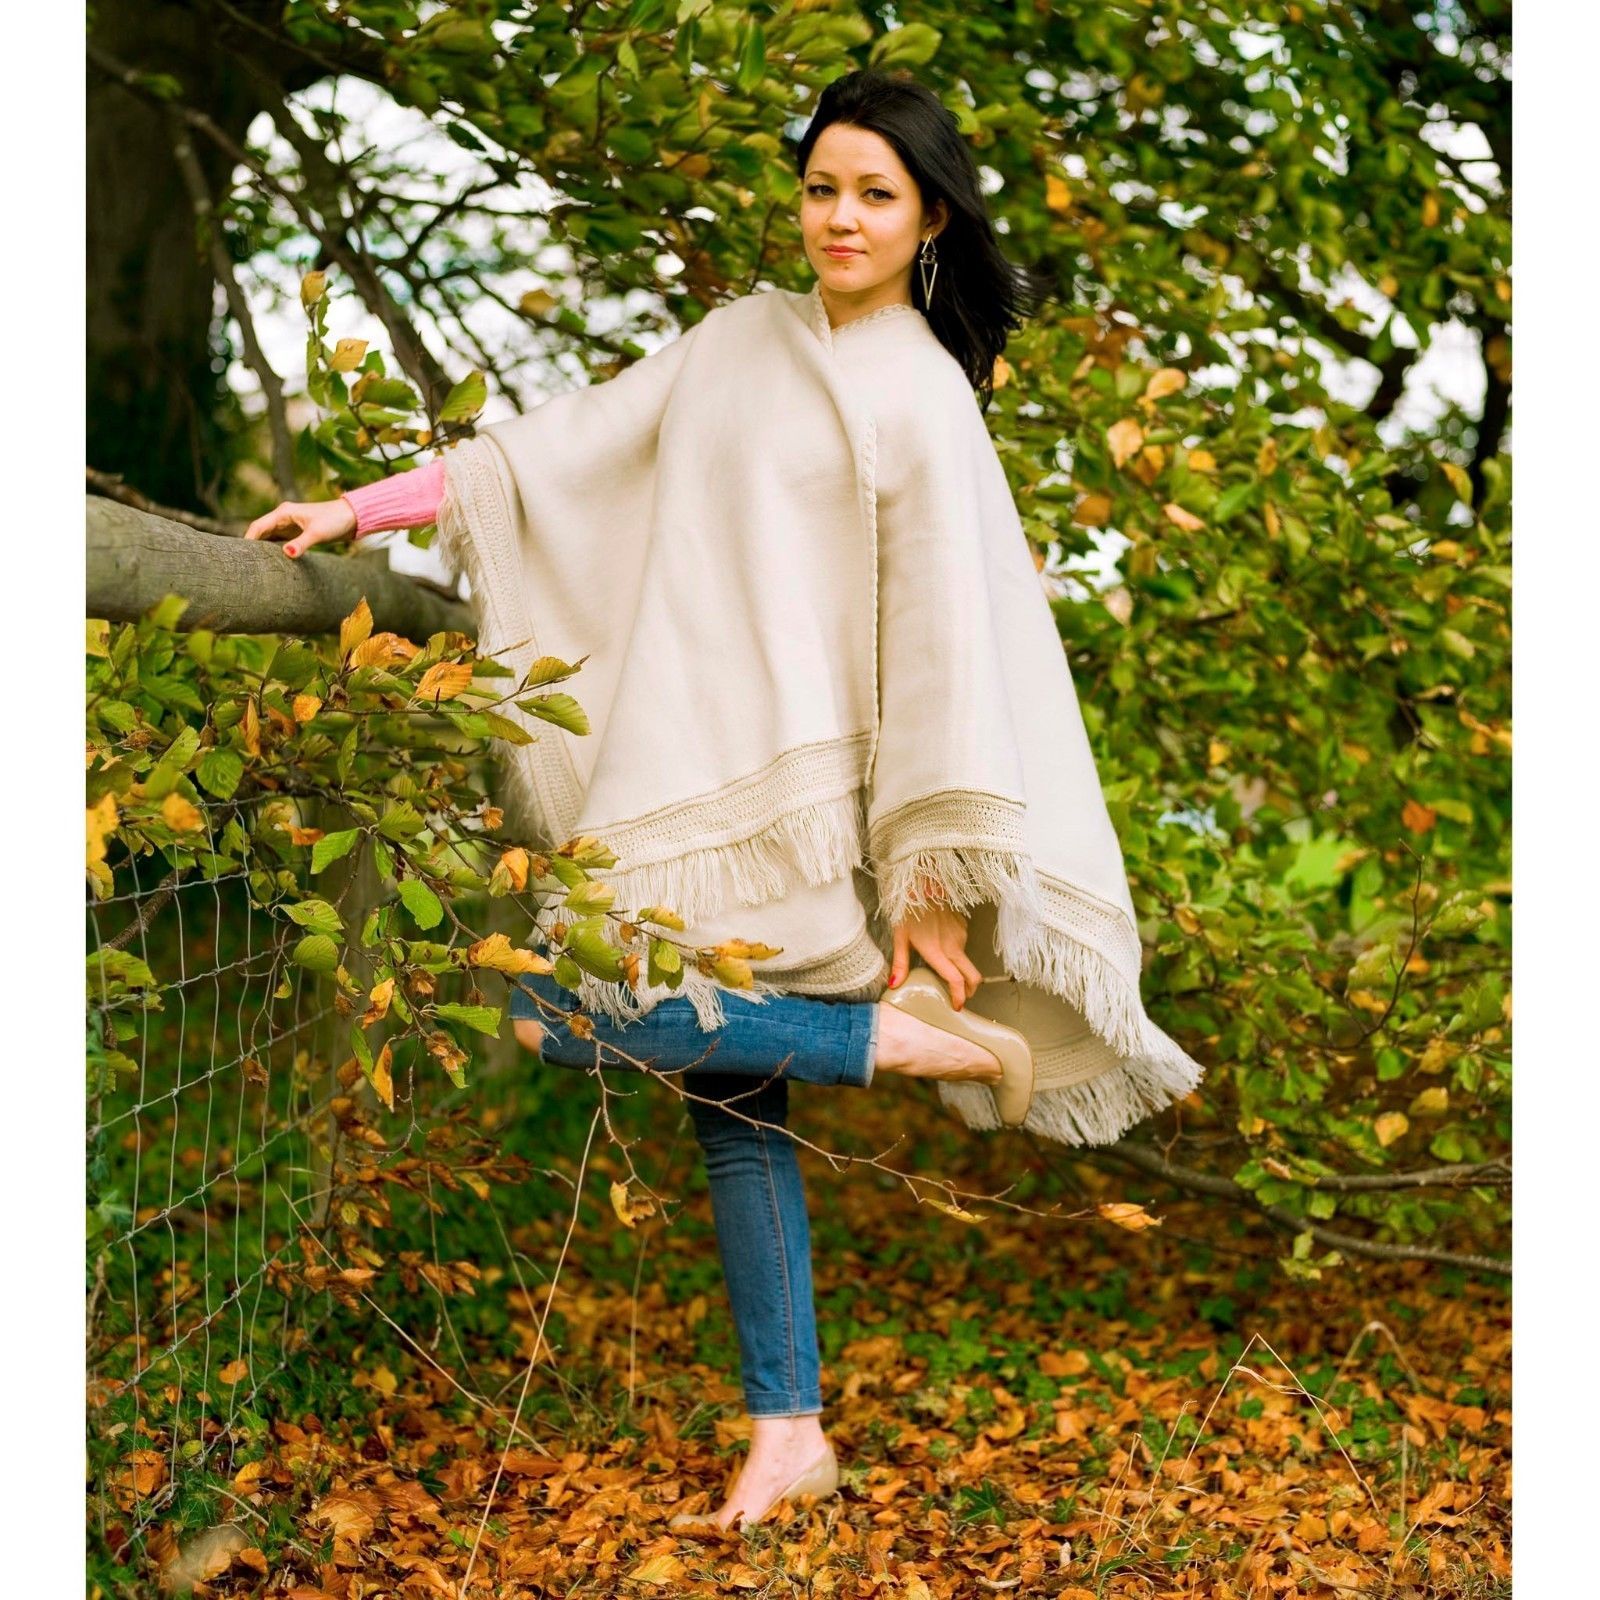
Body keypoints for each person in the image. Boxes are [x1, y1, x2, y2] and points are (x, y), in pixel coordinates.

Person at [242, 67, 1064, 1533]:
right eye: (821, 188)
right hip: (684, 761)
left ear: (930, 216)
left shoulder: (927, 393)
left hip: (808, 794)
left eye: (875, 195)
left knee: (552, 1010)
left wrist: (927, 884)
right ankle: (789, 1430)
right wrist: (360, 509)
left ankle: (882, 1045)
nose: (840, 217)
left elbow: (944, 640)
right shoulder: (740, 339)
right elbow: (556, 450)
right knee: (731, 1105)